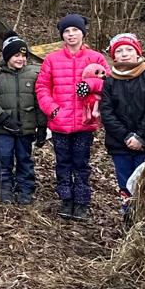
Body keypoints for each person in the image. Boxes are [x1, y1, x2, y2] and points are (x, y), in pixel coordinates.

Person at [34, 13, 108, 220]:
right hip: (60, 121)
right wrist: (52, 109)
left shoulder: (96, 58)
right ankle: (66, 200)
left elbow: (108, 83)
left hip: (85, 121)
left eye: (75, 30)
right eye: (66, 31)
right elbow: (42, 87)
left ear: (83, 33)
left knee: (81, 163)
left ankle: (82, 202)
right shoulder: (52, 59)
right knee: (63, 163)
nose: (71, 34)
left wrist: (91, 84)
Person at [98, 32, 145, 206]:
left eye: (129, 49)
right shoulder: (110, 81)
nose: (124, 54)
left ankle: (143, 216)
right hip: (119, 144)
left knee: (144, 185)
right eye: (119, 51)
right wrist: (126, 136)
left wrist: (140, 136)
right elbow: (107, 112)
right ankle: (127, 215)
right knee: (125, 186)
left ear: (138, 53)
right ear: (114, 56)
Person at [0, 36, 45, 205]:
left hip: (26, 128)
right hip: (3, 128)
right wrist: (3, 117)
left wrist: (42, 126)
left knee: (24, 159)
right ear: (7, 57)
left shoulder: (33, 75)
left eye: (24, 56)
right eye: (16, 55)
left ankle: (25, 190)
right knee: (4, 158)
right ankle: (4, 190)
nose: (21, 59)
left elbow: (39, 102)